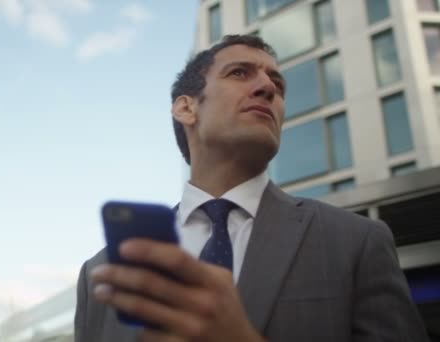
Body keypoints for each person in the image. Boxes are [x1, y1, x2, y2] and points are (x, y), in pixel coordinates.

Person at [74, 34, 429, 342]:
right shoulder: (100, 275)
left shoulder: (357, 241)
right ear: (186, 107)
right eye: (240, 72)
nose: (268, 88)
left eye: (277, 83)